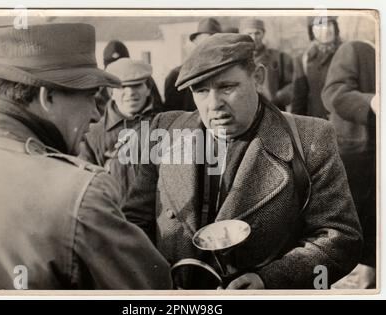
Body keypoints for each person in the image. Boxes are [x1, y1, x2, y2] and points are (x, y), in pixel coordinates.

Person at [122, 33, 362, 289]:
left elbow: (340, 240)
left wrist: (269, 281)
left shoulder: (310, 138)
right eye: (201, 90)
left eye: (227, 87)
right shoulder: (165, 132)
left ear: (257, 77)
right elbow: (133, 226)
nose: (214, 104)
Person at [0, 23, 172, 290]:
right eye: (89, 97)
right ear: (48, 96)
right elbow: (154, 297)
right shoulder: (77, 194)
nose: (96, 114)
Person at [322, 40, 376, 288]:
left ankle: (368, 280)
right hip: (357, 152)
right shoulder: (356, 48)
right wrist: (371, 102)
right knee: (351, 218)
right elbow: (333, 93)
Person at [79, 58, 157, 203]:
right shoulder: (94, 134)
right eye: (122, 87)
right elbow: (85, 184)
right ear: (111, 93)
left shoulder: (163, 126)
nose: (130, 93)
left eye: (137, 86)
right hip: (115, 216)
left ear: (148, 89)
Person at [164, 17, 222, 112]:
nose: (208, 48)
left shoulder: (227, 72)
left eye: (214, 43)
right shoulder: (177, 75)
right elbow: (171, 115)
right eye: (204, 43)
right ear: (196, 43)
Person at [291, 16, 341, 119]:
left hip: (345, 126)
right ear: (311, 30)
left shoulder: (349, 54)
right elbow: (299, 101)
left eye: (329, 24)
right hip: (317, 125)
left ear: (335, 27)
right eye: (320, 25)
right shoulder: (303, 59)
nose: (325, 29)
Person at [241, 18, 294, 110]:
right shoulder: (237, 59)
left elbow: (292, 84)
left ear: (263, 34)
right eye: (249, 33)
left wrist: (278, 98)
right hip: (245, 110)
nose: (253, 37)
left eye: (257, 33)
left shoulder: (278, 57)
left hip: (273, 110)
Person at [100, 39, 163, 113]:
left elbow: (156, 107)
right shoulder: (100, 84)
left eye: (136, 85)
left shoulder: (143, 78)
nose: (130, 92)